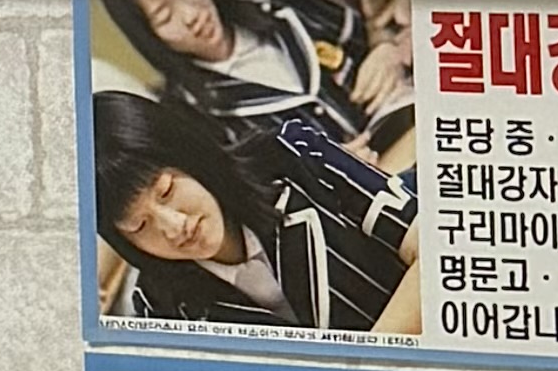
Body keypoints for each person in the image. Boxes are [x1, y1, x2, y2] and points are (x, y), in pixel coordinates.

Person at [89, 93, 412, 337]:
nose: (175, 228)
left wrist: (363, 367)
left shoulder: (291, 153)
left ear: (189, 156)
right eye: (140, 226)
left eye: (167, 191)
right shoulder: (160, 308)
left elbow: (429, 244)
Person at [96, 0, 409, 161]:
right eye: (165, 17)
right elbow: (256, 193)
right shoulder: (192, 112)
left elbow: (366, 28)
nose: (191, 15)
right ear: (151, 38)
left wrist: (386, 48)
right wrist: (325, 176)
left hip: (410, 120)